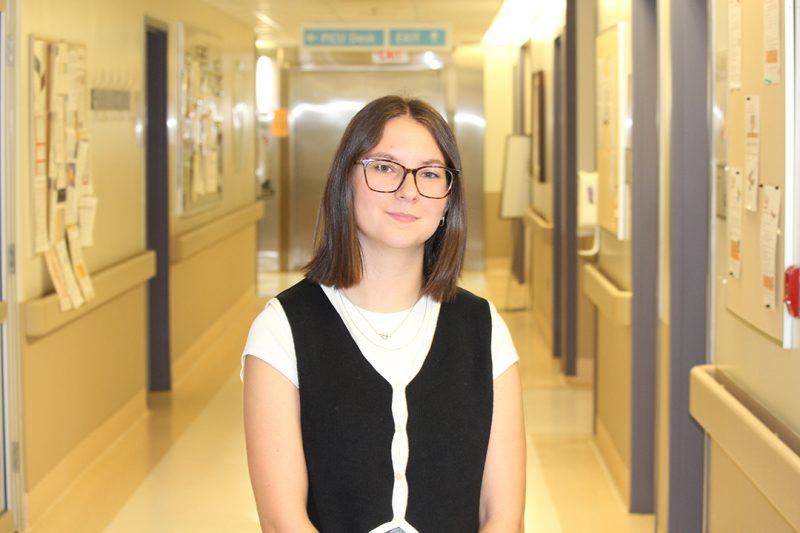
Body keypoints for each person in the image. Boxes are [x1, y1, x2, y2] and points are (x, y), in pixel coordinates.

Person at [242, 95, 525, 533]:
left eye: (429, 173)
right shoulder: (283, 330)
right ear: (346, 181)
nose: (408, 190)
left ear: (447, 200)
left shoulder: (482, 330)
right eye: (385, 167)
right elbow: (283, 522)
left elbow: (503, 516)